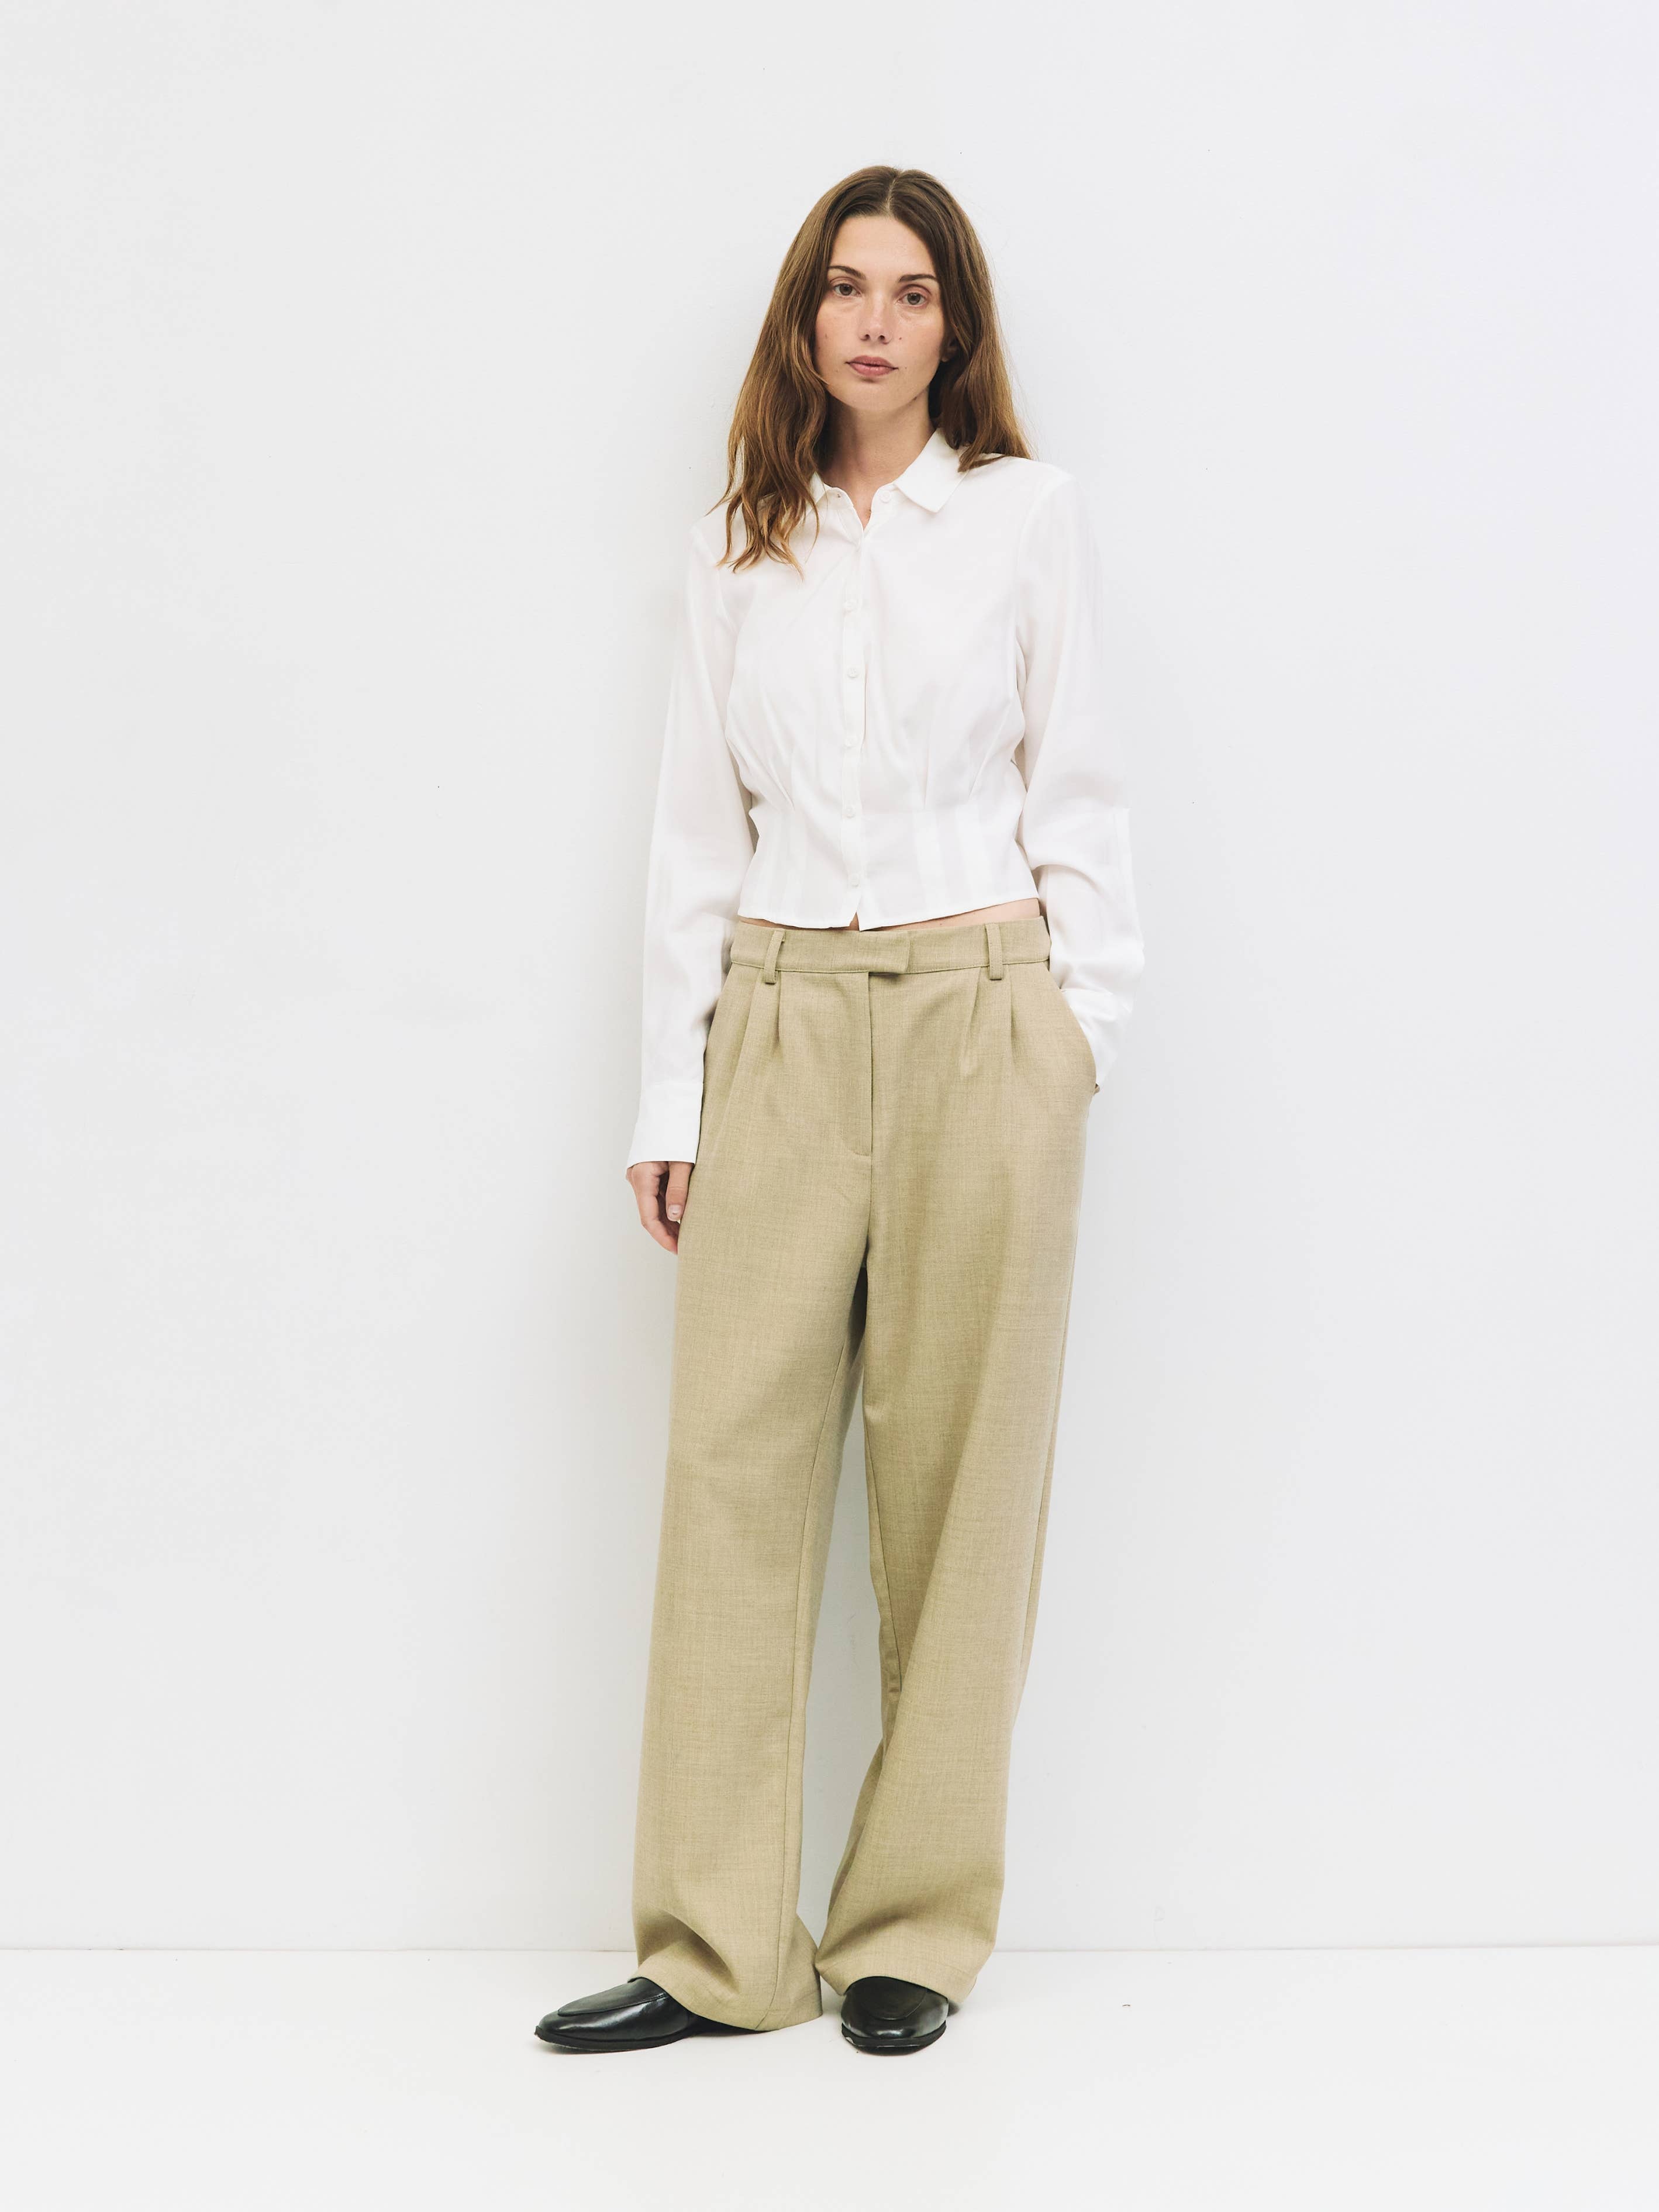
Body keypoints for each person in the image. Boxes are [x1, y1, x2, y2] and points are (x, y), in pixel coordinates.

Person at [536, 164, 1144, 2058]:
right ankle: (715, 1948)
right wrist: (672, 1092)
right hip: (784, 1020)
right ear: (806, 319)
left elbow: (1081, 791)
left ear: (956, 328)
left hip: (985, 1014)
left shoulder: (1027, 519)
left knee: (966, 1482)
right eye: (845, 288)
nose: (875, 322)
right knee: (732, 1468)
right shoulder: (742, 548)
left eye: (912, 291)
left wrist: (1075, 1040)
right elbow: (693, 839)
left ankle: (910, 1936)